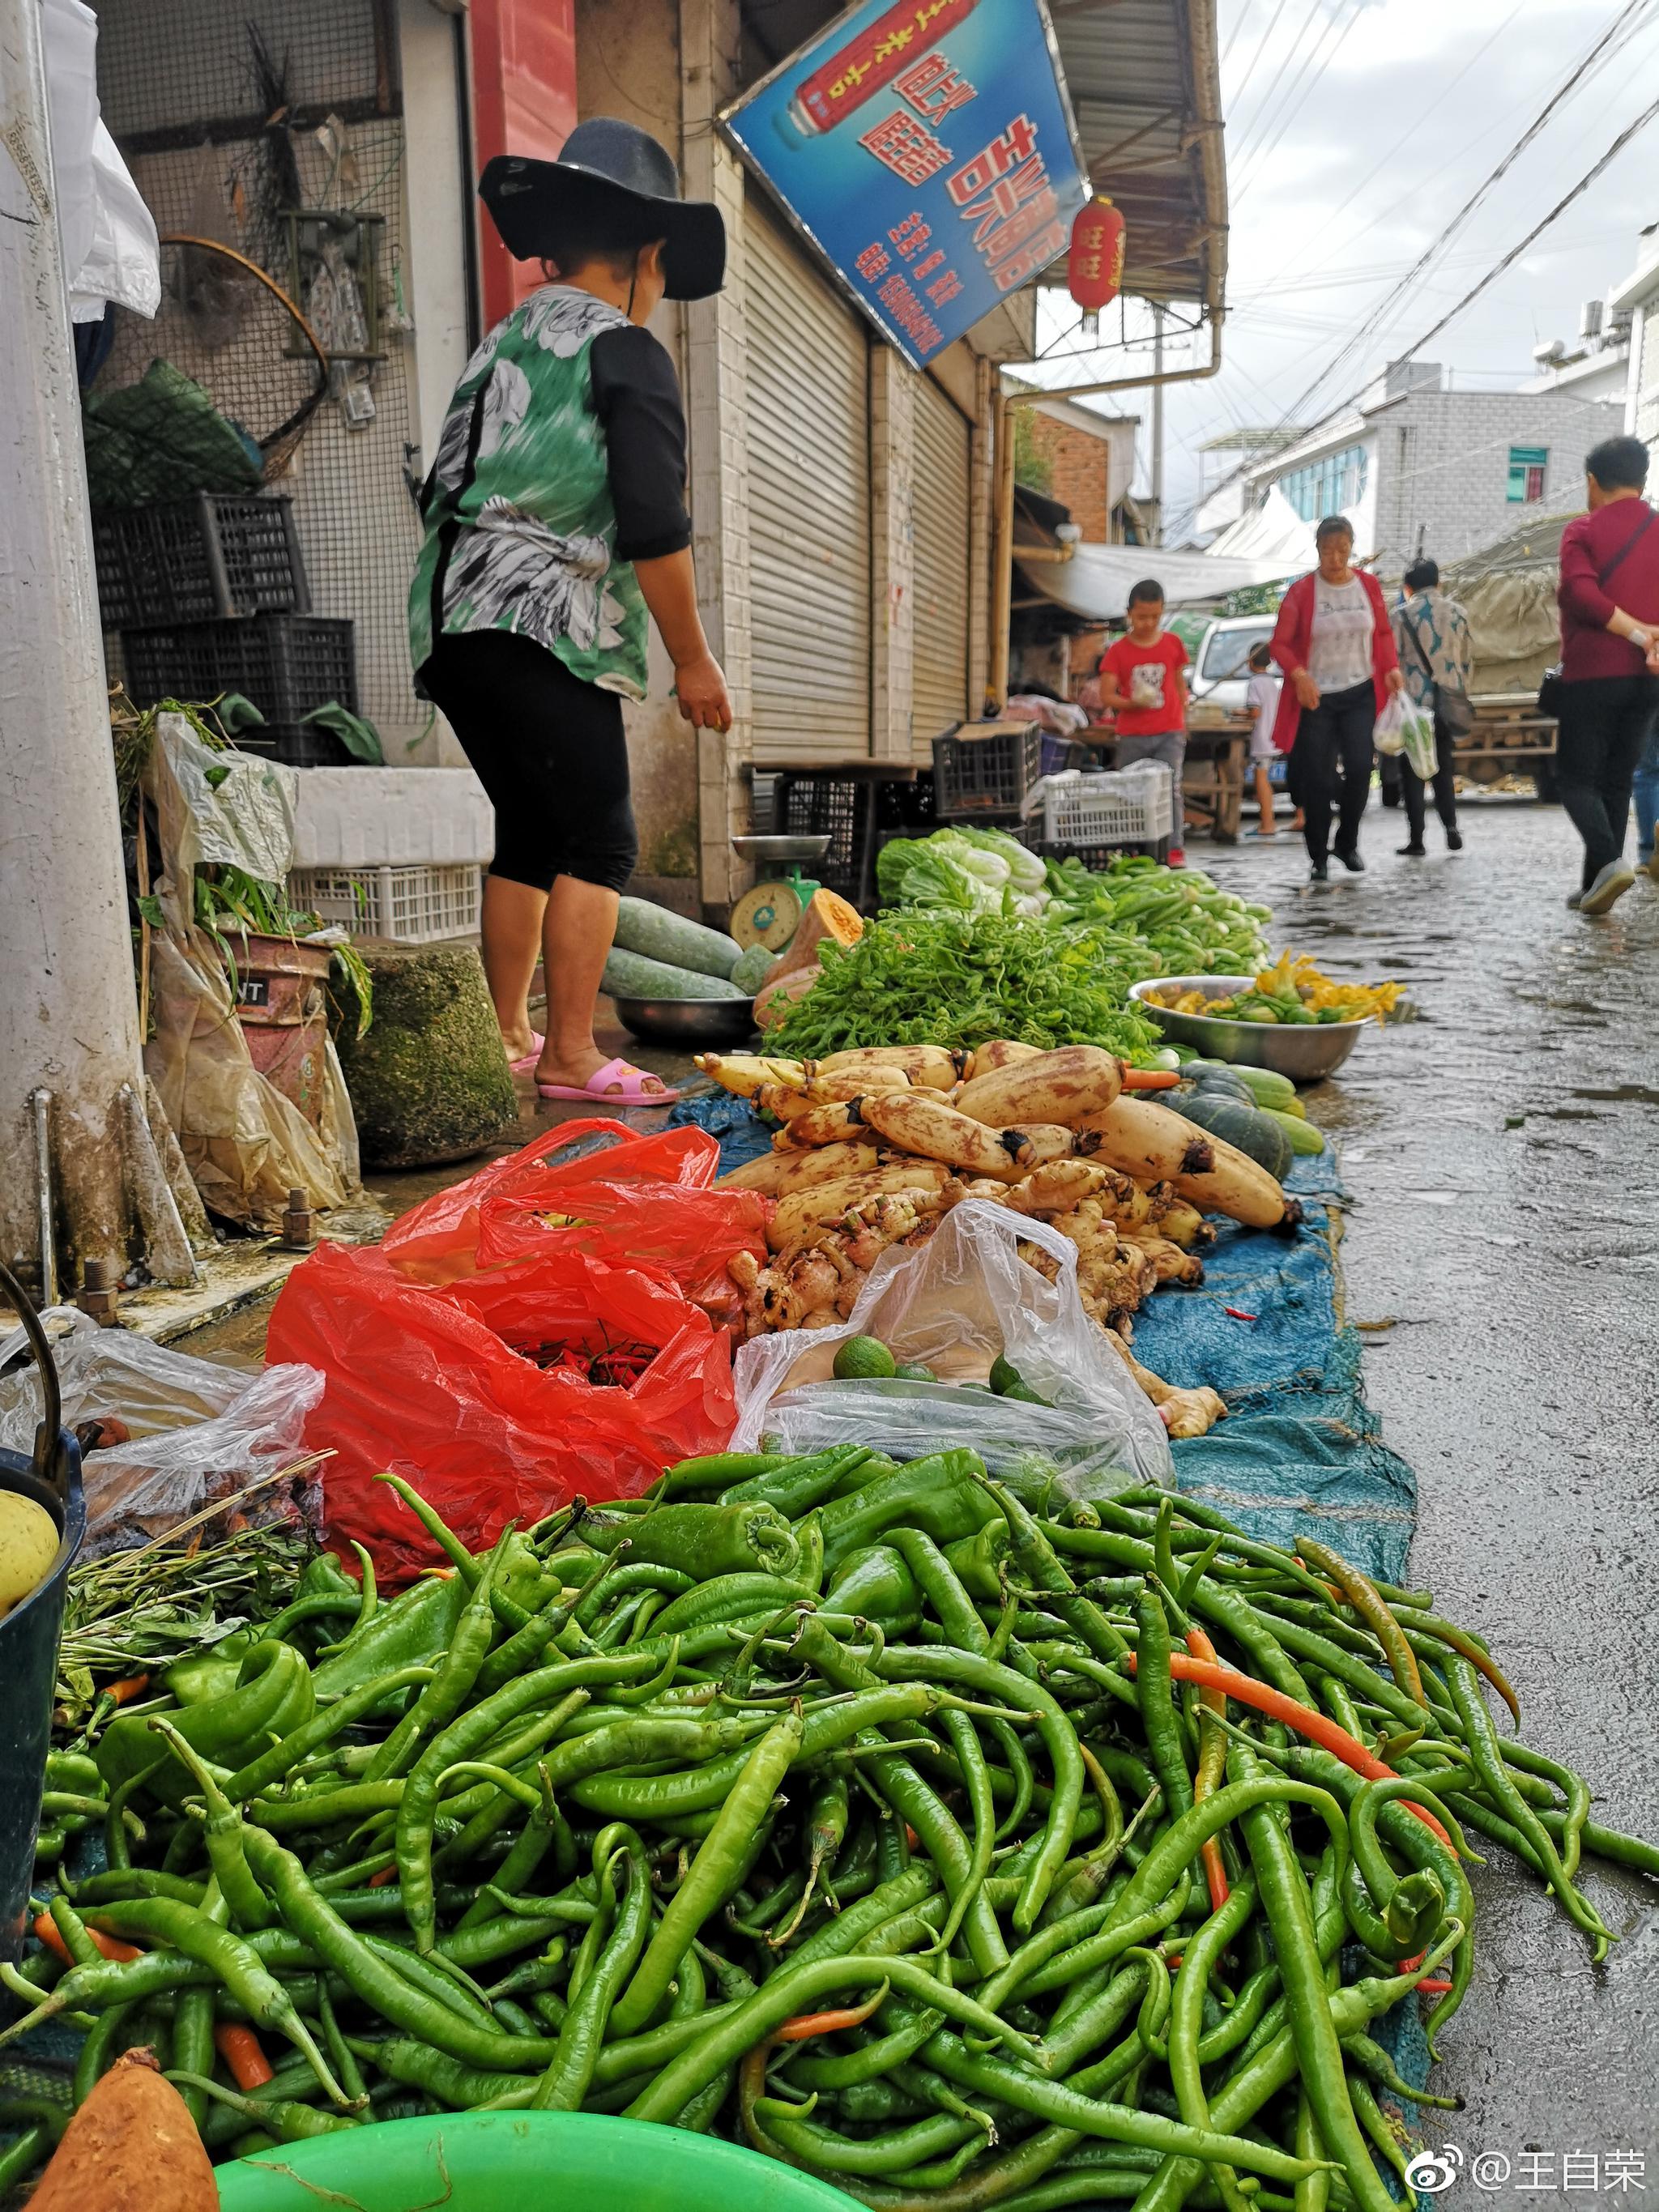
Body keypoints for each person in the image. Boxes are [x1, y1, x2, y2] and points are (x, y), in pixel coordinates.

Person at [409, 119, 732, 1103]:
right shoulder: (624, 349)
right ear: (647, 254)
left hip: (451, 622)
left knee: (529, 829)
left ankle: (510, 1029)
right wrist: (693, 660)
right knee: (599, 840)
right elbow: (651, 522)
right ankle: (570, 1055)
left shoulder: (500, 343)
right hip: (542, 619)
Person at [1553, 433, 1659, 914]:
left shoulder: (1583, 531)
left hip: (1593, 673)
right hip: (1647, 680)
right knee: (1617, 780)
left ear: (1593, 482)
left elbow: (1579, 594)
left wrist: (1636, 633)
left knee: (1575, 779)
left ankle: (1611, 863)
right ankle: (1596, 883)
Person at [1268, 514, 1403, 882]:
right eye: (1328, 550)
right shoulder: (1302, 593)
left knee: (1361, 768)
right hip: (1317, 698)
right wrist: (1298, 675)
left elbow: (1384, 633)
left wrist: (1390, 667)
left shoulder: (1369, 587)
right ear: (1318, 550)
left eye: (1342, 550)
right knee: (1319, 779)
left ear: (1351, 549)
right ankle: (1318, 856)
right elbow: (1279, 643)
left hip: (1359, 690)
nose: (1335, 558)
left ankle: (1347, 842)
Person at [1098, 581, 1189, 866]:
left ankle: (1174, 849)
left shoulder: (1173, 644)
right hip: (1132, 734)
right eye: (1141, 617)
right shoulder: (1117, 651)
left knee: (1170, 789)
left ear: (1162, 611)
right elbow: (1107, 695)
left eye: (1154, 616)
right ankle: (1134, 850)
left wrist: (1183, 716)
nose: (1148, 623)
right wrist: (1132, 704)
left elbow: (1179, 685)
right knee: (1131, 791)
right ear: (1129, 614)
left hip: (1169, 731)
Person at [1389, 556, 1471, 857]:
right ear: (1439, 582)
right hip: (1448, 702)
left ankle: (1417, 839)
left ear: (1407, 587)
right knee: (1444, 767)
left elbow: (1392, 663)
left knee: (1412, 770)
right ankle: (1451, 828)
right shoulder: (1459, 614)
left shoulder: (1399, 616)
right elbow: (1466, 661)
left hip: (1413, 706)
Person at [1243, 642, 1282, 837]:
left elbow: (1255, 711)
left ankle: (1267, 824)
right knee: (1264, 780)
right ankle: (1268, 822)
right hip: (1273, 737)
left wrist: (1242, 713)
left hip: (1262, 740)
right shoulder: (1271, 681)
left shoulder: (1254, 683)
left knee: (1261, 781)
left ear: (1250, 661)